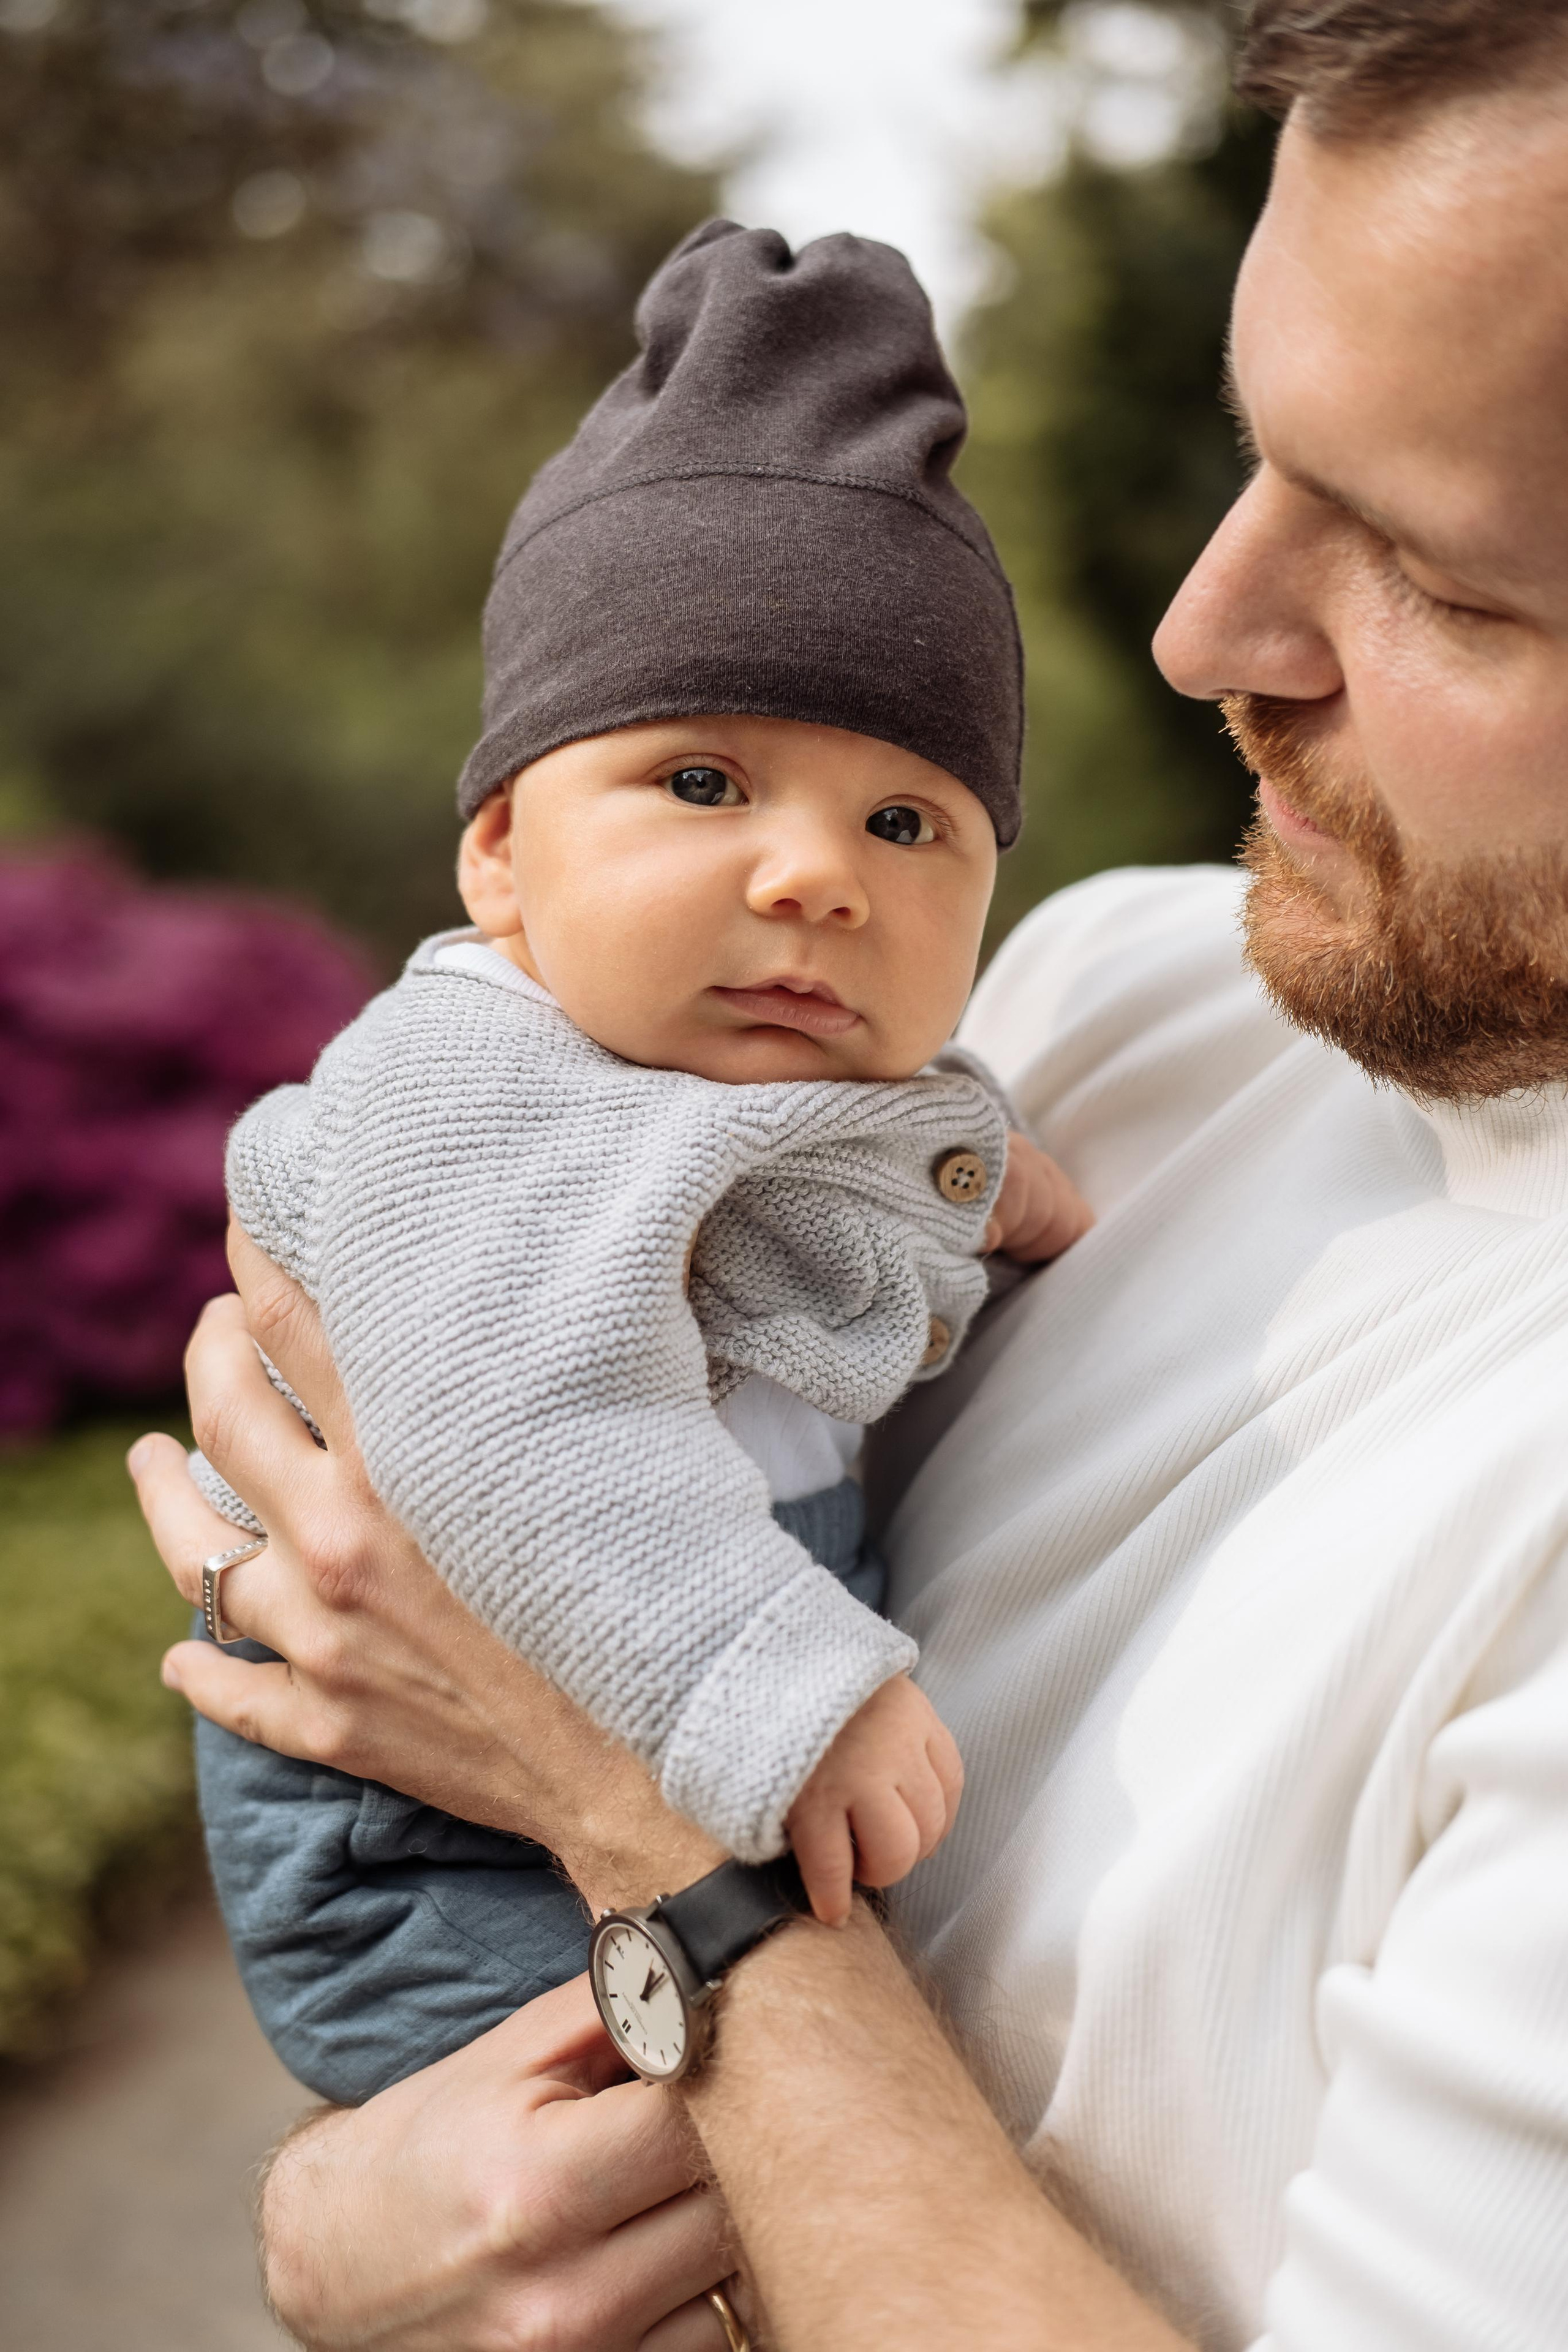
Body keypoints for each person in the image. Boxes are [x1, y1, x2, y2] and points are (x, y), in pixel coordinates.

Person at [129, 1, 1568, 2344]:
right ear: (497, 848)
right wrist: (339, 2221)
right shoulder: (1138, 992)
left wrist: (663, 1847)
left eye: (1442, 576)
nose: (1204, 628)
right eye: (1265, 462)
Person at [183, 217, 1086, 2108]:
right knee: (677, 2196)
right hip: (438, 1872)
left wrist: (977, 1176)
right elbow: (514, 1417)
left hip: (641, 1762)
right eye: (701, 782)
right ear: (503, 854)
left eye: (909, 819)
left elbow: (834, 1146)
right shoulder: (473, 1081)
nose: (816, 873)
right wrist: (781, 1682)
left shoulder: (721, 1052)